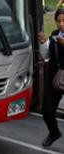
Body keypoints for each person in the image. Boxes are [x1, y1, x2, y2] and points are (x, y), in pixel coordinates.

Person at [38, 8, 64, 147]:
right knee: (47, 110)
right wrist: (42, 43)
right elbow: (46, 56)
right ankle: (54, 132)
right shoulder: (54, 35)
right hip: (54, 77)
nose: (61, 24)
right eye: (58, 21)